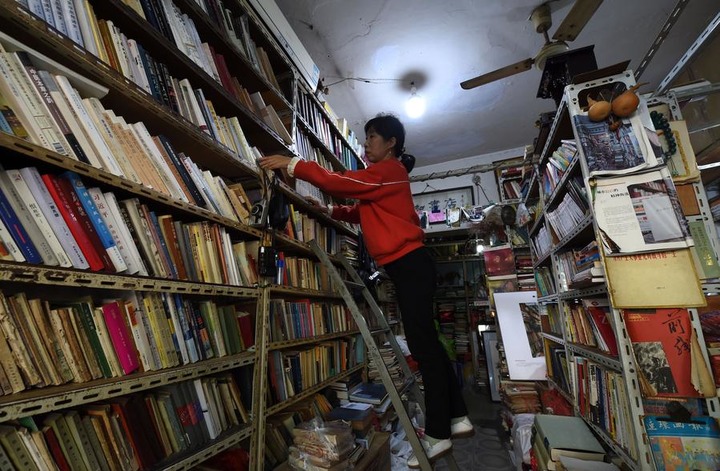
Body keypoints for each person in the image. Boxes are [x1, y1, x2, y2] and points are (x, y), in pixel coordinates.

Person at [259, 113, 473, 467]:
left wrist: (294, 164)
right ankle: (458, 417)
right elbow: (363, 211)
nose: (366, 143)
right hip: (408, 266)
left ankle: (438, 434)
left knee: (423, 347)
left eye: (372, 137)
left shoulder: (390, 170)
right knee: (429, 345)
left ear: (391, 143)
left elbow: (344, 181)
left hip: (411, 265)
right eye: (365, 137)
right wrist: (329, 210)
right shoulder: (384, 179)